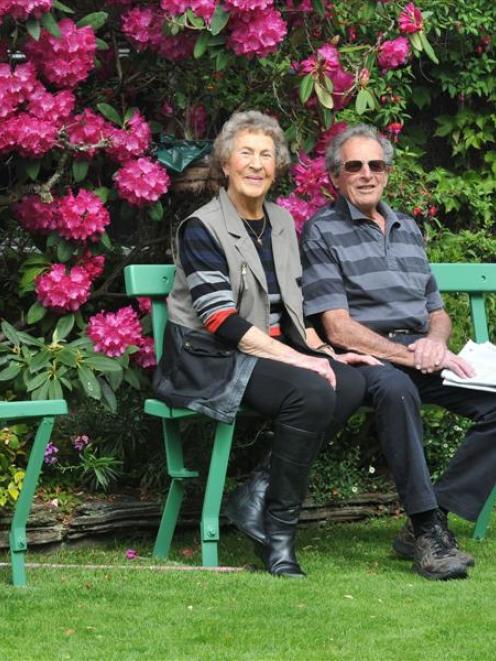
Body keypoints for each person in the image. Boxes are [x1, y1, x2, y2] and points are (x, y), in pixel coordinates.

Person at [153, 111, 374, 578]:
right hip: (209, 357)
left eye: (266, 156)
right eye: (246, 154)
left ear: (277, 168)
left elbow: (289, 310)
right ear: (226, 164)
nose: (256, 165)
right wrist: (301, 362)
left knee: (352, 382)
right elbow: (219, 319)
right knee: (312, 390)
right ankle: (279, 535)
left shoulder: (279, 222)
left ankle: (255, 493)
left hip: (264, 351)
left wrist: (323, 352)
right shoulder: (202, 227)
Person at [301, 123, 496, 581]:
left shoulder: (408, 227)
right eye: (355, 165)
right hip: (367, 359)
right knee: (397, 389)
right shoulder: (321, 231)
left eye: (376, 164)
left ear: (388, 172)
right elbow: (338, 327)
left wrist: (435, 342)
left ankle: (433, 517)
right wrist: (411, 356)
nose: (367, 173)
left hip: (420, 353)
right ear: (335, 176)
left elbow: (437, 311)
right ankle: (429, 532)